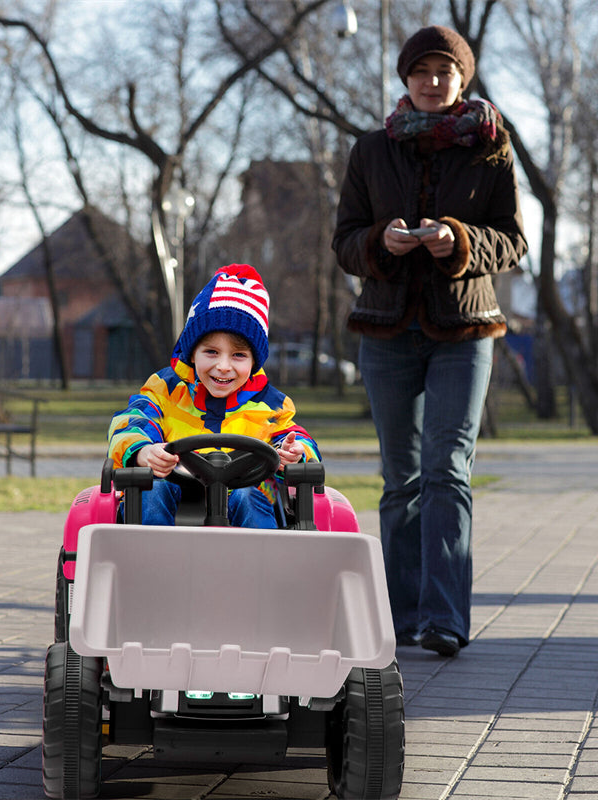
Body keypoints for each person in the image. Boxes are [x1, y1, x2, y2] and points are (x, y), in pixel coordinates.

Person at [332, 25, 527, 657]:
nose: (432, 81)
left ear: (462, 78)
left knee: (449, 471)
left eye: (445, 71)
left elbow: (514, 241)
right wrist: (377, 244)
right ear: (405, 79)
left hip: (464, 331)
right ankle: (401, 617)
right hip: (387, 332)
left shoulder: (492, 149)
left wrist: (460, 240)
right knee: (400, 480)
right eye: (421, 71)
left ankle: (445, 620)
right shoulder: (370, 151)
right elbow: (344, 242)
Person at [108, 263, 321, 528]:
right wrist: (142, 451)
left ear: (254, 361)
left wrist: (296, 451)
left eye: (238, 355)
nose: (223, 366)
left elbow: (297, 438)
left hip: (244, 498)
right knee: (152, 491)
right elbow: (130, 421)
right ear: (192, 352)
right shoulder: (166, 390)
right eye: (211, 352)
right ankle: (152, 564)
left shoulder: (271, 406)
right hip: (174, 498)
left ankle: (263, 566)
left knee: (248, 497)